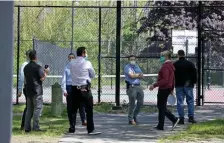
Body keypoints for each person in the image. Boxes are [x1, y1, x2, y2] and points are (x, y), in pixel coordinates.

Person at [69, 47, 101, 135]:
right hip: (85, 89)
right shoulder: (87, 63)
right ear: (83, 53)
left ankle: (72, 128)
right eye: (85, 52)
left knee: (73, 109)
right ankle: (90, 129)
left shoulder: (71, 63)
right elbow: (93, 75)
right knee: (89, 109)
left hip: (74, 88)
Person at [149, 50, 180, 130]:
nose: (161, 57)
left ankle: (172, 120)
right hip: (168, 88)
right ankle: (162, 124)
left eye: (162, 56)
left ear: (166, 56)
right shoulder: (171, 65)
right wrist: (172, 89)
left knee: (161, 106)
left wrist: (154, 85)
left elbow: (165, 80)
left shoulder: (166, 66)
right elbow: (173, 79)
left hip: (164, 88)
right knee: (161, 106)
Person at [23, 50, 49, 132]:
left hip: (28, 90)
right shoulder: (38, 67)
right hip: (37, 91)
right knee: (38, 109)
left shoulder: (26, 67)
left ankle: (27, 127)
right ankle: (36, 126)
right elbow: (42, 78)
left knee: (29, 110)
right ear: (36, 57)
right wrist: (46, 72)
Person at [61, 53, 87, 129]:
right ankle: (72, 125)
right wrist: (64, 90)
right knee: (70, 107)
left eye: (73, 57)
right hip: (69, 87)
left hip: (78, 87)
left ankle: (83, 119)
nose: (71, 59)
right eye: (70, 58)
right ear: (68, 59)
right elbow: (63, 79)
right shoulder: (66, 67)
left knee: (81, 104)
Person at [174, 50, 197, 124]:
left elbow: (173, 75)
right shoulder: (190, 64)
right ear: (184, 55)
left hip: (179, 84)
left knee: (180, 101)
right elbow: (194, 74)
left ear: (178, 55)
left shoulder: (175, 64)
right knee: (190, 101)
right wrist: (193, 82)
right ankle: (191, 117)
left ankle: (181, 118)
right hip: (188, 84)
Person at [124, 55, 144, 125]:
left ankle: (134, 115)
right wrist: (137, 75)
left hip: (138, 86)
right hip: (131, 87)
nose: (133, 61)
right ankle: (130, 119)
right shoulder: (127, 67)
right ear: (129, 60)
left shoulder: (137, 66)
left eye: (134, 59)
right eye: (131, 59)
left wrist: (136, 74)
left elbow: (142, 76)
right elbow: (131, 76)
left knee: (140, 103)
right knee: (132, 103)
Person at [17, 50, 32, 130]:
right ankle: (24, 125)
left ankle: (26, 124)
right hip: (27, 87)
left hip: (32, 88)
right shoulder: (25, 65)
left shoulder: (33, 64)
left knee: (31, 107)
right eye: (29, 55)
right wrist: (19, 89)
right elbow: (22, 77)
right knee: (29, 107)